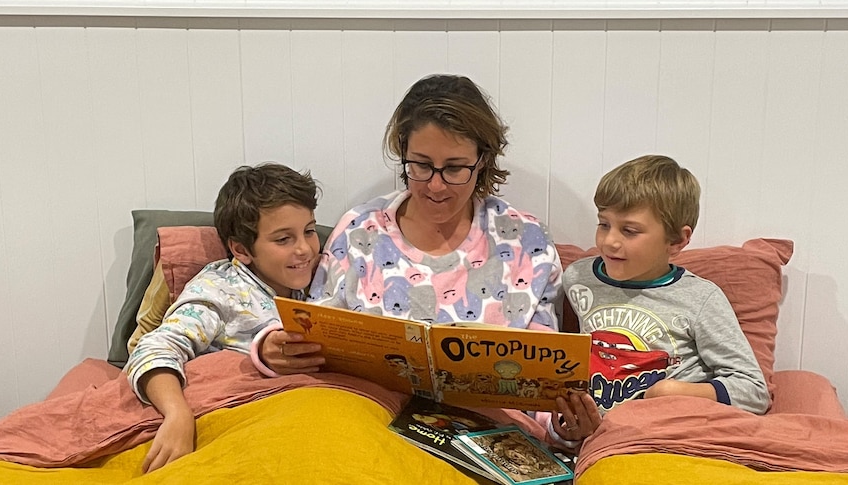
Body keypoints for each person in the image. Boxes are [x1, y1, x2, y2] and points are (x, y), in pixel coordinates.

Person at [251, 74, 601, 450]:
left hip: (489, 440)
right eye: (420, 165)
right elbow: (316, 336)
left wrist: (564, 425)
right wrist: (273, 350)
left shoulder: (525, 241)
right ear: (403, 153)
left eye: (454, 168)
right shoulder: (359, 231)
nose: (435, 186)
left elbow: (541, 382)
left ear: (483, 160)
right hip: (367, 426)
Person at [125, 163, 326, 473]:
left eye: (309, 231)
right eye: (284, 239)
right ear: (241, 249)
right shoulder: (221, 290)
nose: (305, 250)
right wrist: (178, 415)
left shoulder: (319, 281)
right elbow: (153, 349)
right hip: (234, 417)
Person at [563, 154, 770, 415]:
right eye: (604, 224)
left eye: (630, 231)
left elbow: (754, 391)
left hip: (667, 432)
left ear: (676, 241)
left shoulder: (700, 298)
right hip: (602, 435)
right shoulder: (577, 278)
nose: (609, 241)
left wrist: (673, 393)